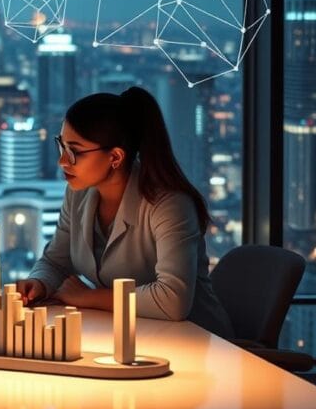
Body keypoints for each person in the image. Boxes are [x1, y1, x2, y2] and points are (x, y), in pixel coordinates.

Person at [17, 86, 234, 338]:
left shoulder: (169, 204)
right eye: (61, 146)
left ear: (116, 157)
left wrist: (90, 297)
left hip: (199, 342)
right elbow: (56, 260)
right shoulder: (79, 193)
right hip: (134, 336)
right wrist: (40, 283)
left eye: (74, 152)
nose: (62, 161)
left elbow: (172, 300)